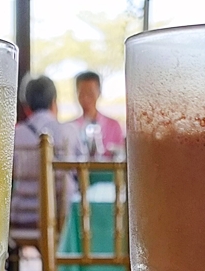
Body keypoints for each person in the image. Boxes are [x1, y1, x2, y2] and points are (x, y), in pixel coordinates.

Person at [10, 75, 82, 231]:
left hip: (21, 215)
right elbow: (79, 171)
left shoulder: (14, 135)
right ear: (53, 102)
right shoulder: (69, 131)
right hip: (61, 214)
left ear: (26, 107)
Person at [70, 71, 124, 157]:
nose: (86, 97)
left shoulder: (114, 126)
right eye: (82, 93)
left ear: (99, 93)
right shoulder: (71, 127)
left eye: (90, 93)